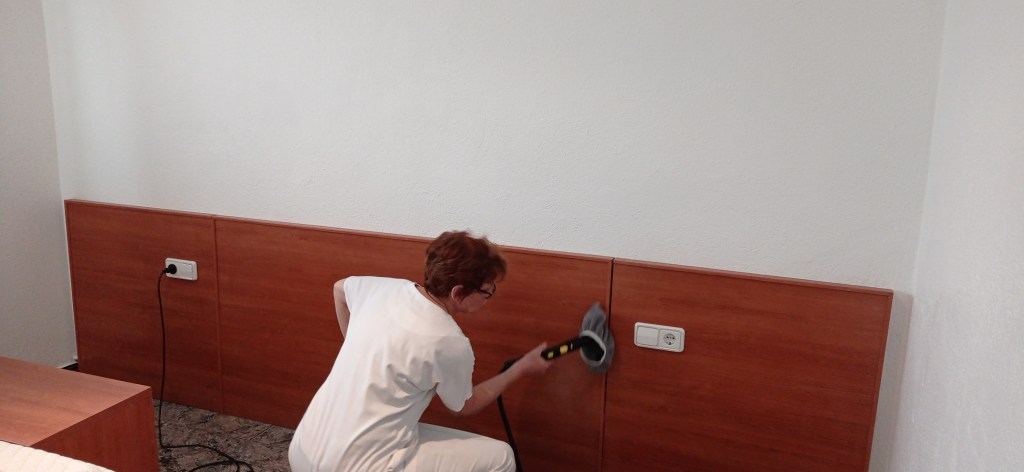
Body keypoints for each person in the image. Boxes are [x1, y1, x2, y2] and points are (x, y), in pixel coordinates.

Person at [288, 230, 552, 472]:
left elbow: (340, 289)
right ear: (458, 293)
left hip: (302, 450)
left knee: (409, 429)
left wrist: (356, 344)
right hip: (359, 466)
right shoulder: (449, 341)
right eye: (487, 291)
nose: (489, 296)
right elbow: (464, 406)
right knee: (502, 457)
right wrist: (520, 369)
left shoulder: (383, 288)